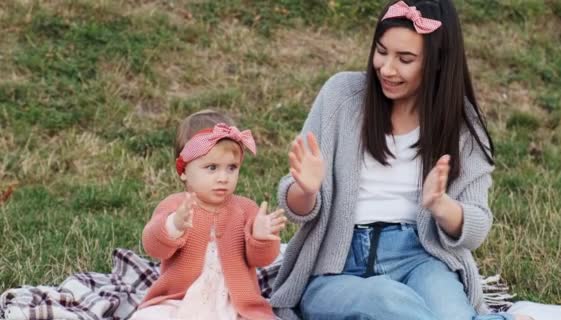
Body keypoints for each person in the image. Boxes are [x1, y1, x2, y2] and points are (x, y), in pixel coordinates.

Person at [270, 1, 532, 319]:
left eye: (405, 59)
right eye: (381, 52)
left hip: (420, 258)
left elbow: (476, 228)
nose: (387, 68)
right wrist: (307, 191)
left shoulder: (461, 124)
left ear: (436, 62)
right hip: (336, 266)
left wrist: (441, 205)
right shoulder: (341, 96)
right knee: (385, 301)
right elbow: (295, 206)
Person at [131, 110, 286, 320]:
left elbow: (263, 259)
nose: (223, 177)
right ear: (184, 170)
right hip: (179, 299)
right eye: (212, 168)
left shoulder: (246, 209)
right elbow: (154, 248)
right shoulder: (177, 205)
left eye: (231, 168)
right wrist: (173, 226)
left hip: (234, 303)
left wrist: (261, 238)